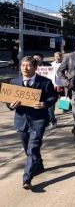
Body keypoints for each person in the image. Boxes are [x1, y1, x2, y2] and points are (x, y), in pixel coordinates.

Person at [7, 56, 57, 189]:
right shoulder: (14, 81)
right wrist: (11, 105)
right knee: (28, 149)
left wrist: (45, 103)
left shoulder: (45, 82)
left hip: (38, 121)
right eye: (23, 65)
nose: (25, 68)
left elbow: (53, 97)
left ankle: (27, 178)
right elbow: (8, 101)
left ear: (35, 68)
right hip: (21, 121)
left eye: (28, 65)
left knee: (32, 148)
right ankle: (39, 164)